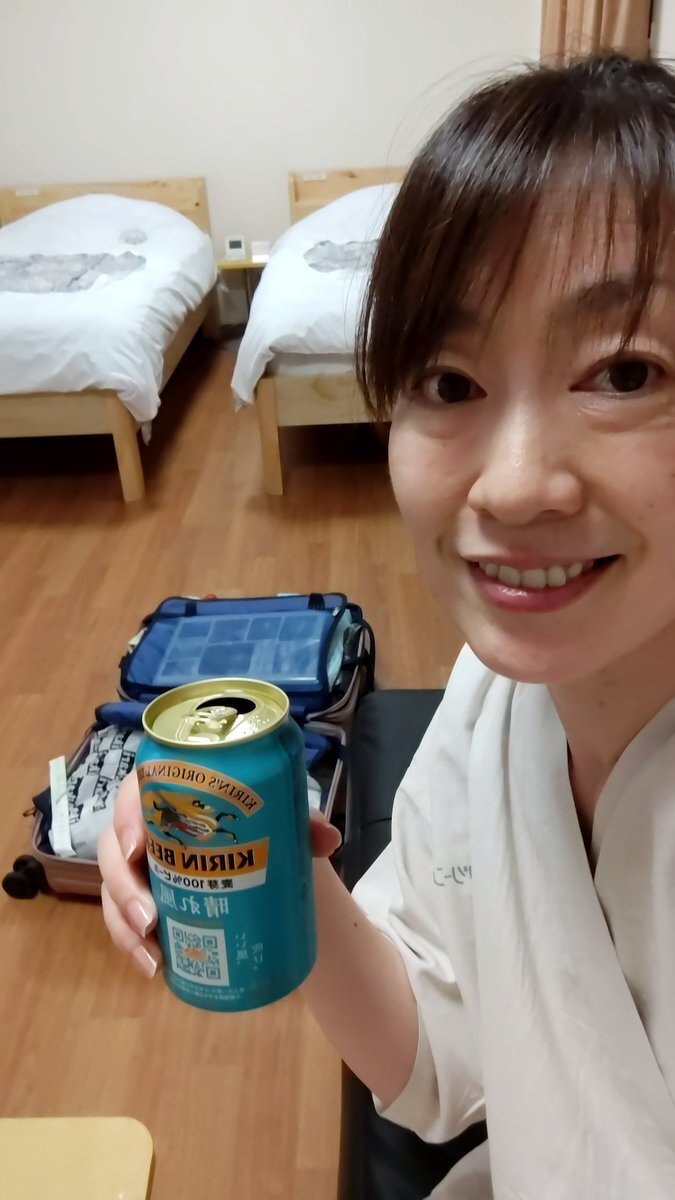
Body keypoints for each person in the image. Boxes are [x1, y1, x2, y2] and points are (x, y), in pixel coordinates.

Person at [98, 53, 675, 1197]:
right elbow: (438, 1058)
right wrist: (275, 861)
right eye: (450, 384)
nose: (515, 486)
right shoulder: (497, 702)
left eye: (625, 373)